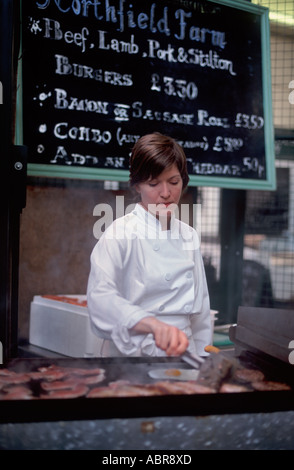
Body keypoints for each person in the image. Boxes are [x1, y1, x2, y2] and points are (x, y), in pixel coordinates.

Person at [87, 132, 211, 357]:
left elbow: (201, 315)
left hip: (184, 357)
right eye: (154, 184)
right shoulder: (119, 233)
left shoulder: (188, 235)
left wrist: (202, 363)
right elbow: (100, 298)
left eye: (174, 182)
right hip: (132, 358)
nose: (166, 193)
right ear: (137, 186)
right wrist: (152, 324)